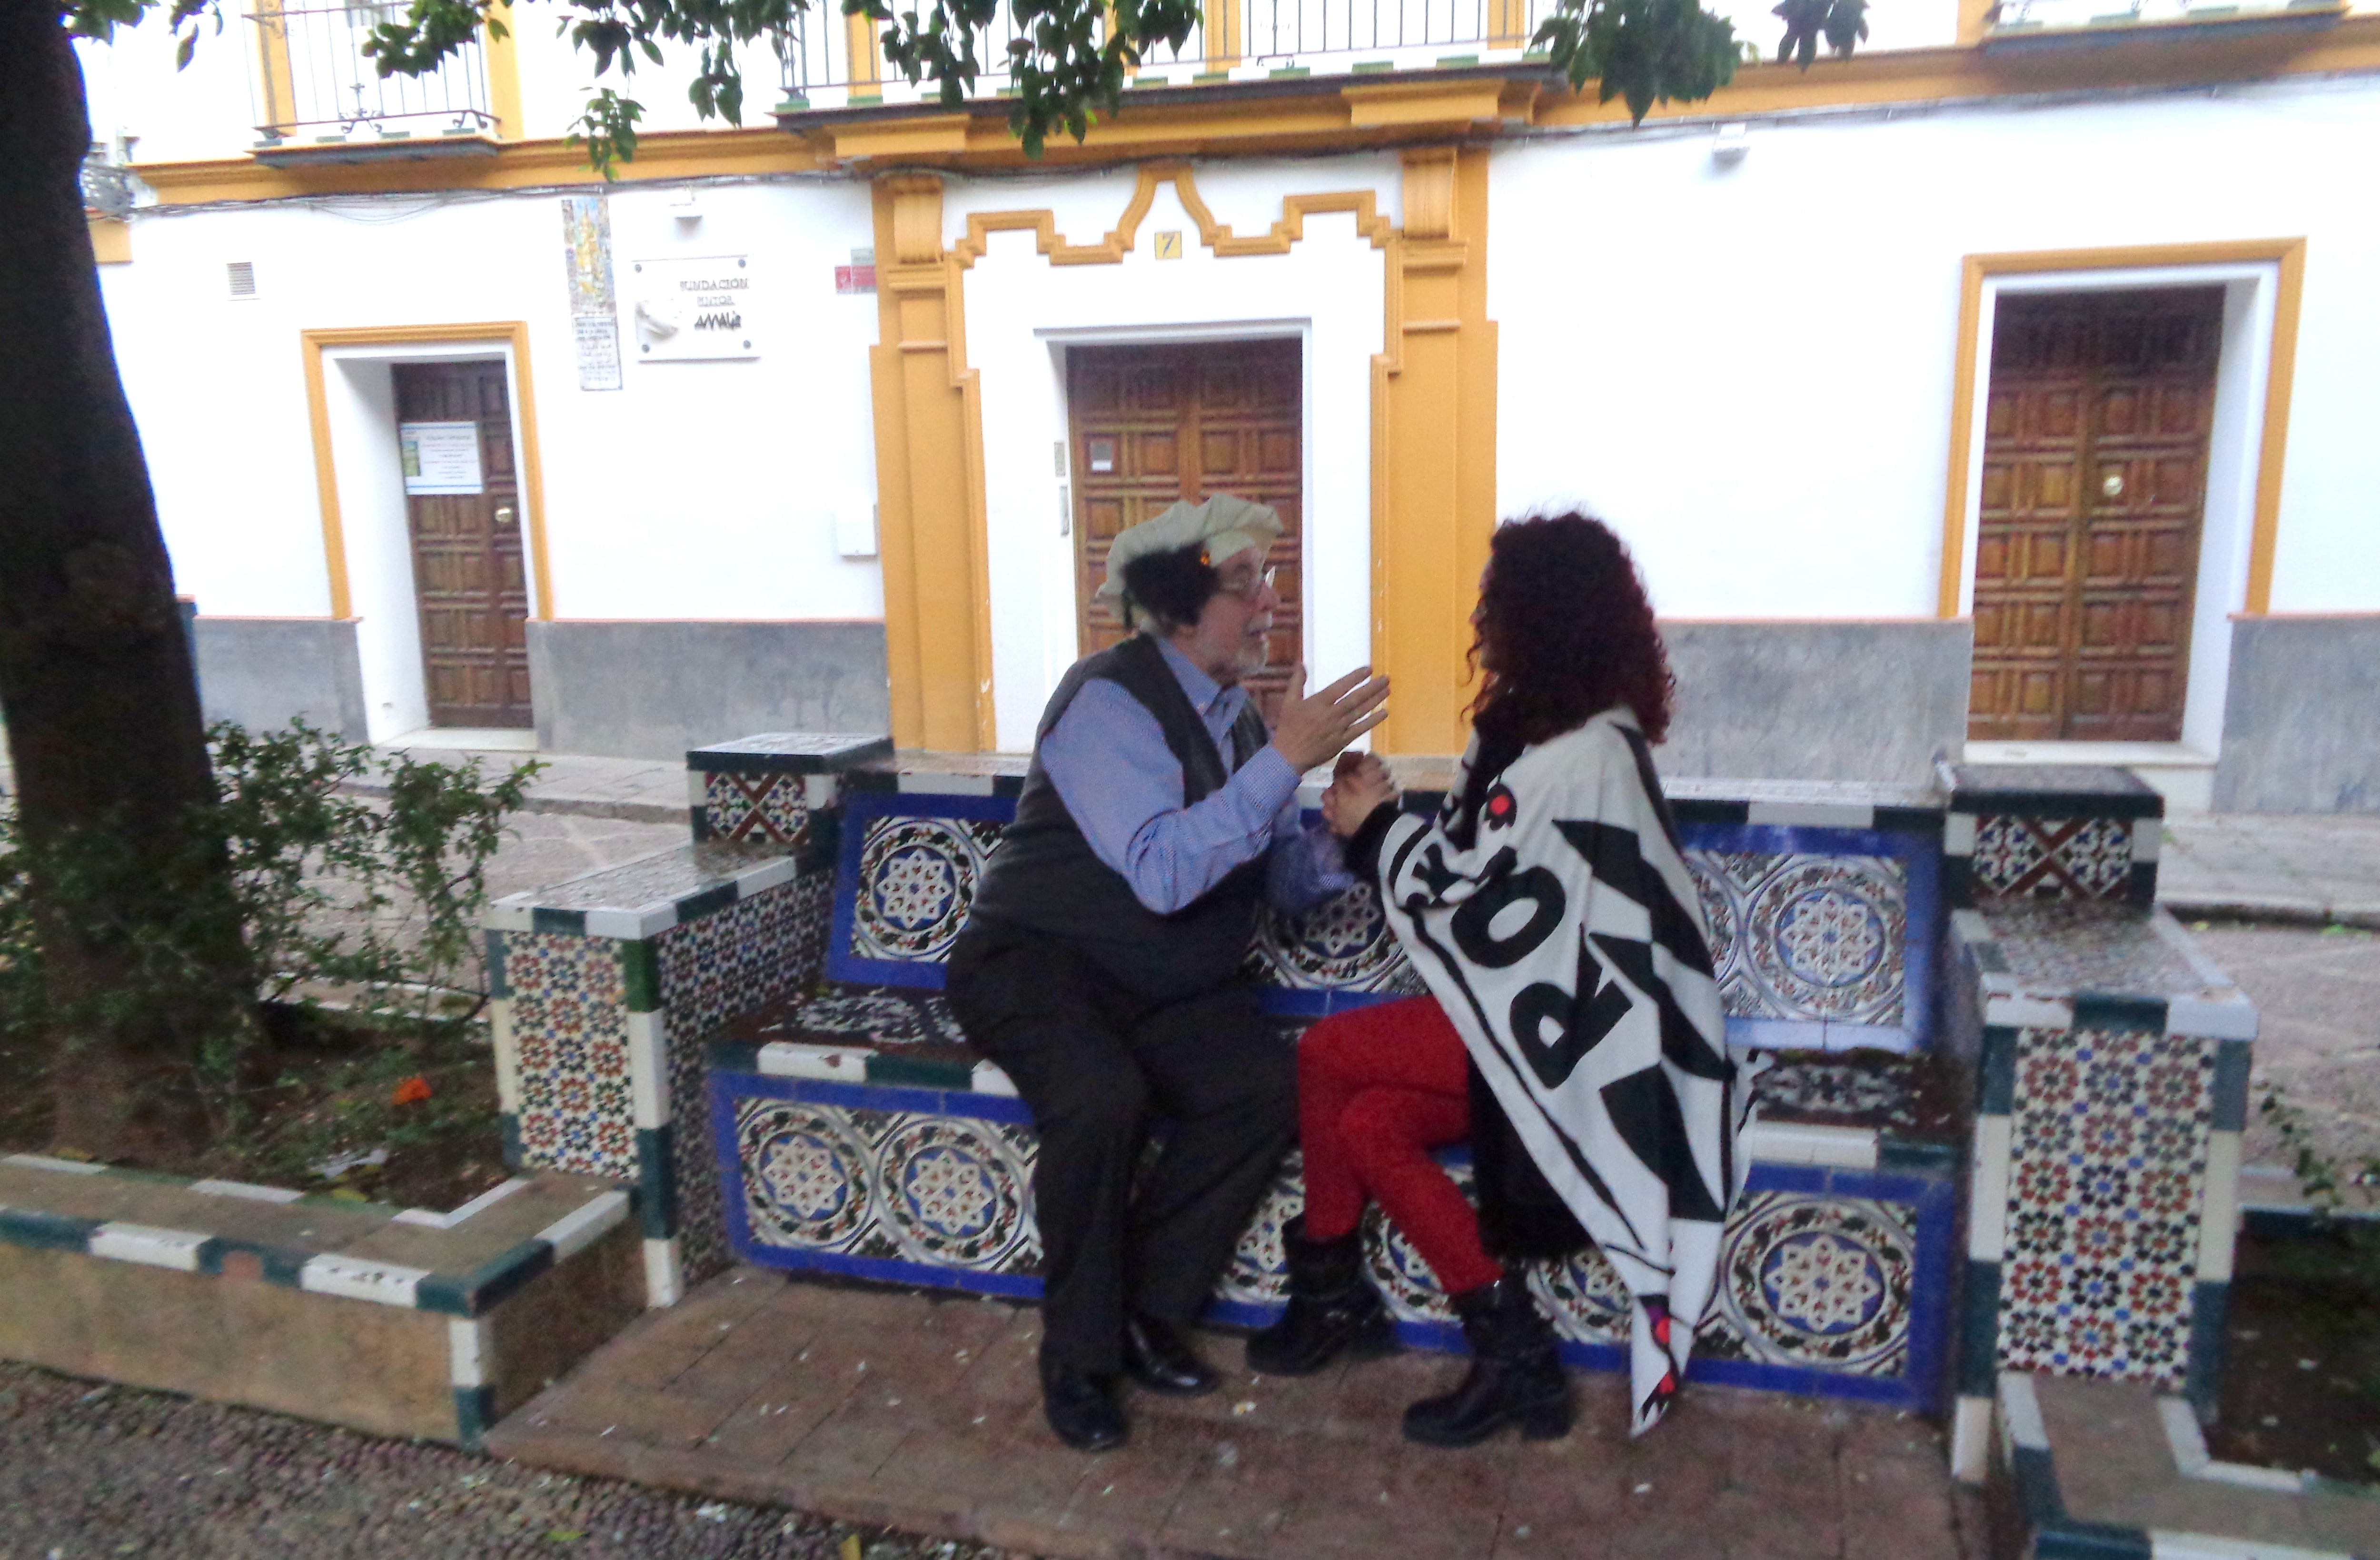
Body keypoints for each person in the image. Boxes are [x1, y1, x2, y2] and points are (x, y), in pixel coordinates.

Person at [1250, 512, 1746, 1446]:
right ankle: (1514, 1354)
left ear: (1536, 613)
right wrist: (1385, 820)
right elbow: (1485, 875)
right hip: (1519, 1015)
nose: (1482, 610)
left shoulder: (1588, 752)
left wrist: (1377, 833)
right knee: (1368, 1122)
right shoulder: (1520, 731)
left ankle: (1330, 1296)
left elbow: (1493, 904)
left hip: (1576, 1036)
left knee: (1324, 1051)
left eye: (1496, 596)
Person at [947, 493, 1391, 1453]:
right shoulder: (1106, 697)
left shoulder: (1236, 725)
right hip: (1036, 962)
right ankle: (1077, 1356)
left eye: (1267, 582)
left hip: (1158, 983)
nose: (1269, 603)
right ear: (1175, 602)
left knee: (1264, 1087)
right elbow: (1159, 870)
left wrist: (1344, 835)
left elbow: (1272, 877)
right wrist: (1283, 759)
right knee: (1101, 1097)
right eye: (1243, 584)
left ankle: (1148, 1310)